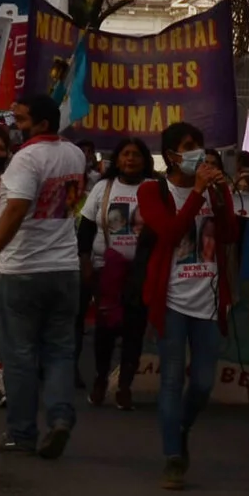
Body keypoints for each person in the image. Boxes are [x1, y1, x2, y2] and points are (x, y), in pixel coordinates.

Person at [0, 94, 87, 457]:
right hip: (64, 269)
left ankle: (21, 432)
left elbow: (17, 209)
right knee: (59, 351)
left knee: (19, 356)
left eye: (21, 120)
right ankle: (60, 418)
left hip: (23, 269)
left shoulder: (26, 159)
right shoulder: (75, 154)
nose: (15, 127)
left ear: (42, 124)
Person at [138, 122, 238, 490]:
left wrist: (221, 195)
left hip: (207, 301)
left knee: (203, 383)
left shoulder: (212, 191)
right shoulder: (153, 191)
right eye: (188, 146)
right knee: (171, 379)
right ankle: (173, 458)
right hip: (172, 300)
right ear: (171, 156)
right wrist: (196, 193)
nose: (197, 152)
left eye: (199, 145)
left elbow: (230, 234)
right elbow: (169, 233)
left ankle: (180, 426)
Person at [80, 136, 152, 409]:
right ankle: (100, 379)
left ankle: (124, 386)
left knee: (134, 330)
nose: (130, 159)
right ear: (118, 160)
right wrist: (85, 263)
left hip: (141, 272)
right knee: (105, 329)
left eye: (136, 154)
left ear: (144, 160)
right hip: (106, 270)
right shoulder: (103, 187)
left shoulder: (154, 189)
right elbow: (86, 228)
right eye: (125, 154)